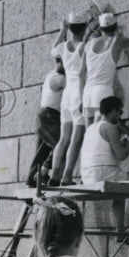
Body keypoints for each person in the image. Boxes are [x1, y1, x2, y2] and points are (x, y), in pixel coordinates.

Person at [79, 95, 129, 238]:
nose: (119, 116)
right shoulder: (109, 127)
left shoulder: (91, 128)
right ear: (113, 111)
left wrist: (123, 142)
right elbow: (121, 155)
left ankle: (120, 230)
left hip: (87, 175)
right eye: (119, 112)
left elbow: (106, 150)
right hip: (102, 172)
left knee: (120, 191)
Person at [82, 6, 129, 126]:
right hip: (102, 92)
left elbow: (81, 73)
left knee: (89, 136)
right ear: (115, 26)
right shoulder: (118, 42)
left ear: (101, 28)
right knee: (99, 132)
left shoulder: (89, 44)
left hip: (87, 93)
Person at [49, 11, 91, 186]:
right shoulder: (84, 46)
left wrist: (62, 29)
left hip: (66, 95)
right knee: (77, 137)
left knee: (63, 138)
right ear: (84, 27)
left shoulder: (64, 46)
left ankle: (54, 176)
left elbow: (53, 49)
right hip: (78, 91)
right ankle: (67, 176)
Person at [26, 56, 66, 188]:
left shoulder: (50, 75)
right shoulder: (60, 78)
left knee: (42, 151)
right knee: (62, 145)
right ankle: (43, 172)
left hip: (41, 116)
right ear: (59, 62)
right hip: (51, 116)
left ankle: (31, 179)